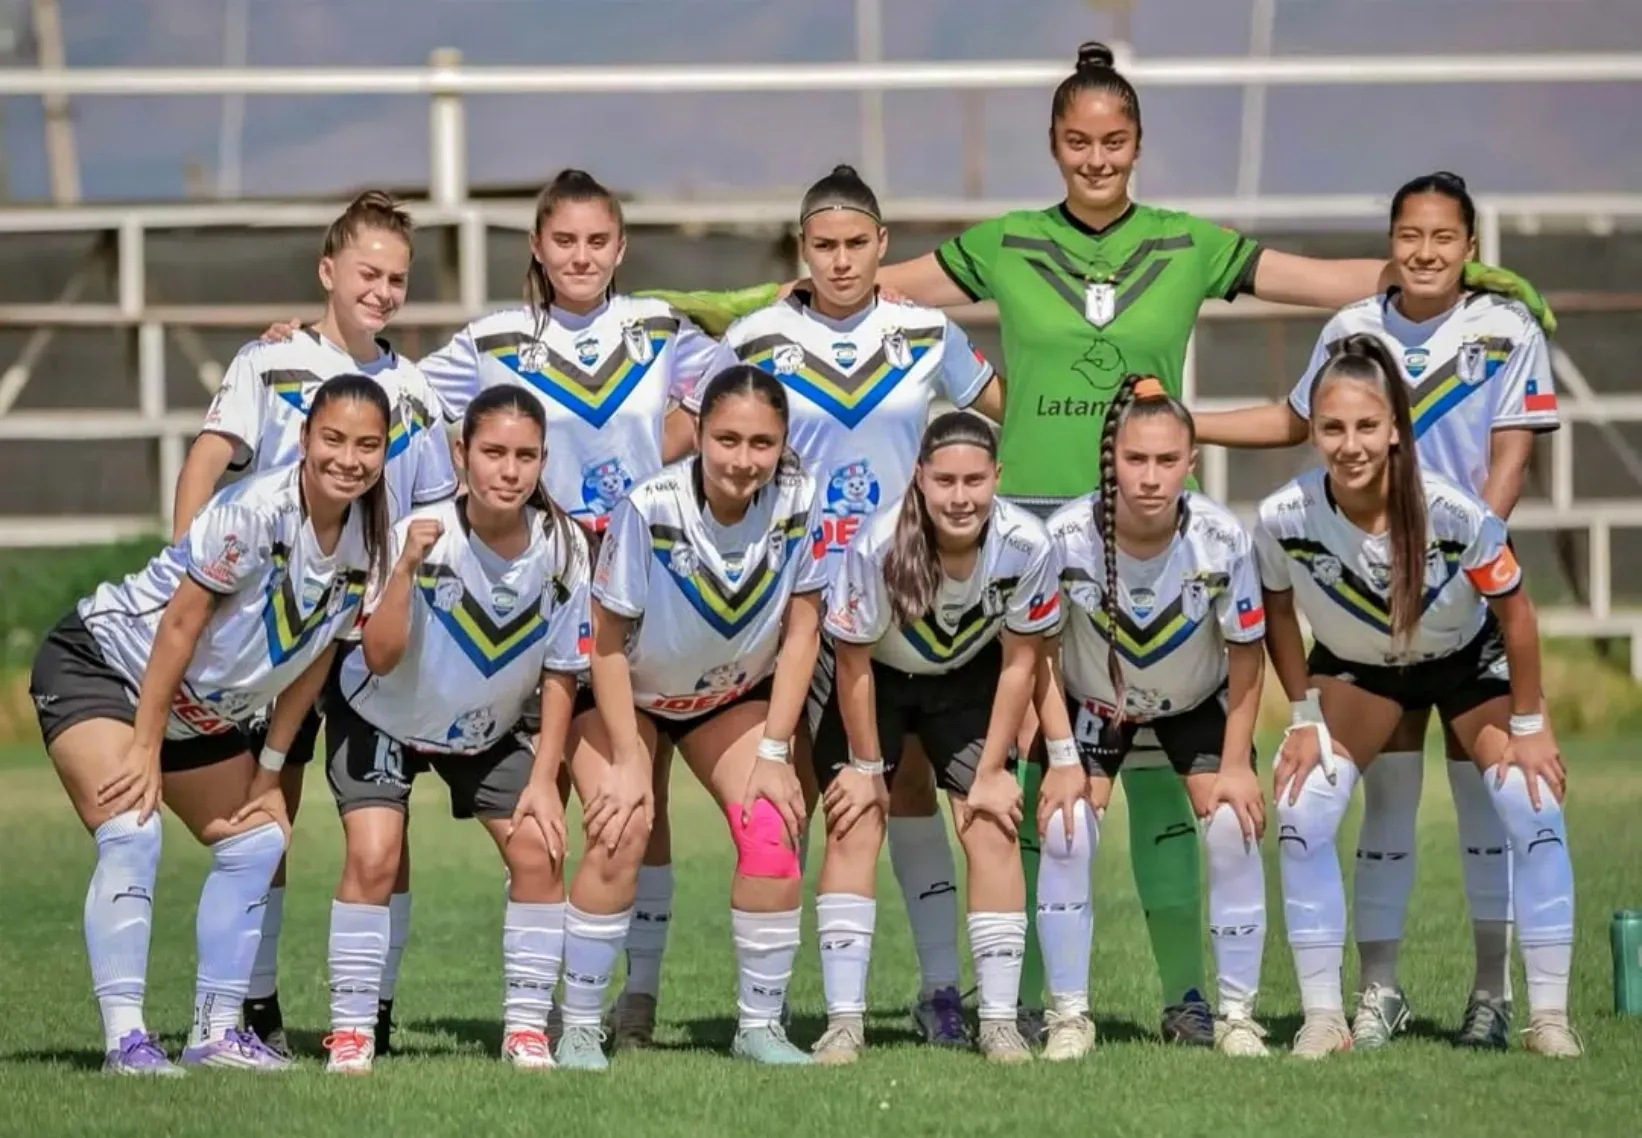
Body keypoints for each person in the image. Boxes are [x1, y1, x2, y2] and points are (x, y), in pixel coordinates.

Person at [750, 43, 1550, 1040]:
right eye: (1078, 141)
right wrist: (771, 296)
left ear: (1138, 143)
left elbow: (1318, 279)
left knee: (1172, 779)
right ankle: (1026, 998)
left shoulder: (1186, 242)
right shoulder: (1005, 241)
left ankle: (1187, 998)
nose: (1096, 158)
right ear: (1054, 145)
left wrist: (1472, 279)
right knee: (1039, 777)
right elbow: (867, 279)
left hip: (1154, 530)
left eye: (1114, 140)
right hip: (1032, 536)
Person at [1195, 172, 1560, 1051]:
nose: (1425, 252)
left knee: (1498, 805)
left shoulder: (1506, 328)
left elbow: (1511, 457)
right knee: (1377, 802)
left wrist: (1461, 559)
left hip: (1461, 589)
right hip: (1362, 610)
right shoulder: (1350, 329)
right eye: (1409, 235)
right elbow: (1296, 422)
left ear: (1470, 245)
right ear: (1390, 242)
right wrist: (1185, 424)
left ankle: (1499, 997)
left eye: (1444, 236)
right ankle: (1370, 998)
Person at [28, 374, 393, 1074]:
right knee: (133, 829)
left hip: (198, 708)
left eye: (367, 445)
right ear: (305, 439)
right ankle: (127, 1043)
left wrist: (269, 770)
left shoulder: (370, 540)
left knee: (258, 840)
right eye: (334, 439)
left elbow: (314, 660)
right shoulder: (255, 509)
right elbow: (180, 625)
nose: (349, 459)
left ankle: (214, 1035)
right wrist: (144, 745)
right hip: (104, 666)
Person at [719, 164, 1004, 1046]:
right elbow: (707, 436)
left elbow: (1001, 410)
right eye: (823, 245)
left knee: (907, 789)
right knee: (818, 800)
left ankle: (941, 992)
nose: (840, 261)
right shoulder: (756, 337)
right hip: (800, 607)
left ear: (882, 245)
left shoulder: (925, 331)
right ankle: (777, 1009)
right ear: (801, 249)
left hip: (911, 604)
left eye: (855, 244)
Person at [174, 190, 458, 1056]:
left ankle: (373, 1008)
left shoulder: (412, 387)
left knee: (383, 824)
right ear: (328, 271)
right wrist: (186, 568)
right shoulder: (270, 361)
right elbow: (208, 457)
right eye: (368, 273)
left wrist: (408, 584)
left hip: (372, 641)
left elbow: (437, 503)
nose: (382, 291)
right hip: (279, 634)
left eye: (397, 279)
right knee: (270, 812)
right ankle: (253, 1004)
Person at [1254, 333, 1579, 1059]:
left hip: (1465, 661)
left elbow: (1517, 613)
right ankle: (1328, 1017)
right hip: (1361, 668)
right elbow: (1276, 610)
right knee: (1302, 808)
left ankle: (1538, 1015)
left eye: (1367, 426)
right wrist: (1302, 716)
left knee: (1531, 801)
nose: (1350, 445)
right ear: (1313, 430)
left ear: (1396, 428)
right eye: (1333, 428)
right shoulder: (1282, 517)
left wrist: (1531, 724)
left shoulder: (1453, 511)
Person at [318, 386, 597, 1073]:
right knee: (376, 855)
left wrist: (544, 779)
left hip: (482, 730)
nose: (510, 470)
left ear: (543, 461)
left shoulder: (565, 546)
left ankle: (526, 1029)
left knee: (538, 851)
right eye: (494, 452)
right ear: (460, 454)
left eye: (525, 456)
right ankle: (352, 1031)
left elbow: (563, 671)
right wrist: (405, 569)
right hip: (382, 713)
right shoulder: (415, 531)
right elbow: (378, 655)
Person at [589, 364, 828, 1065]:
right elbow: (605, 641)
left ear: (783, 443)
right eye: (727, 439)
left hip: (724, 698)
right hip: (630, 694)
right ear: (697, 433)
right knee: (624, 825)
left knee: (772, 832)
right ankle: (601, 1014)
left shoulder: (801, 497)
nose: (743, 459)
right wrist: (627, 759)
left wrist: (776, 752)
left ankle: (759, 1027)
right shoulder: (649, 507)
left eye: (762, 443)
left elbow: (803, 630)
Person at [1030, 374, 1270, 1060]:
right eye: (1135, 459)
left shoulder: (1222, 539)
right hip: (1095, 707)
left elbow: (1248, 656)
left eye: (1167, 460)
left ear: (1191, 461)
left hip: (1194, 704)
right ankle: (1068, 1017)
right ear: (1112, 459)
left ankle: (1231, 1016)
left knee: (1232, 827)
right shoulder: (1065, 537)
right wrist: (1062, 757)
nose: (1150, 476)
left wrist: (1235, 764)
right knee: (1066, 832)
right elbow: (1037, 652)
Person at [807, 410, 1056, 1065]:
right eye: (945, 480)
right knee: (854, 821)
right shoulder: (878, 543)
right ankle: (843, 1025)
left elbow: (1022, 661)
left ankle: (998, 1023)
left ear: (997, 476)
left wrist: (993, 771)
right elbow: (852, 661)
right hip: (873, 679)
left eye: (975, 480)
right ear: (919, 478)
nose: (960, 497)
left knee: (992, 823)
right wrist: (866, 768)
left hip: (966, 677)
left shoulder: (1027, 544)